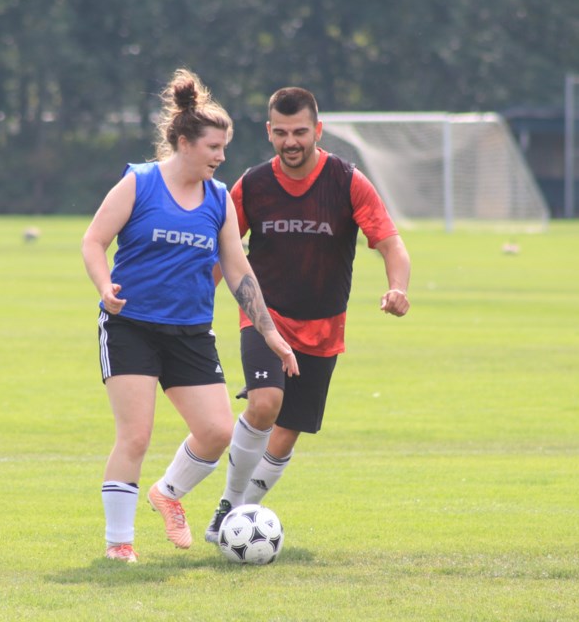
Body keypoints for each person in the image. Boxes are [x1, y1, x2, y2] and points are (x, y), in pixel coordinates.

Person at [81, 69, 299, 563]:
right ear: (183, 142)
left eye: (224, 147)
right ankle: (120, 545)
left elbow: (239, 272)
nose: (222, 157)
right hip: (130, 325)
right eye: (213, 147)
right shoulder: (138, 183)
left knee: (218, 431)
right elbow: (94, 241)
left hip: (190, 332)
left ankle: (168, 493)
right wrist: (103, 286)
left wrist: (272, 334)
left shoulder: (219, 198)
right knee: (135, 435)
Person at [204, 87, 411, 542]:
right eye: (281, 133)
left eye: (300, 132)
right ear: (269, 132)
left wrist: (397, 287)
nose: (291, 141)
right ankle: (229, 506)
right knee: (265, 403)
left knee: (287, 431)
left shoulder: (347, 181)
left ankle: (242, 512)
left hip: (323, 327)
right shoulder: (253, 185)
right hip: (264, 316)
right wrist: (195, 298)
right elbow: (224, 250)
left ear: (318, 130)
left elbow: (390, 243)